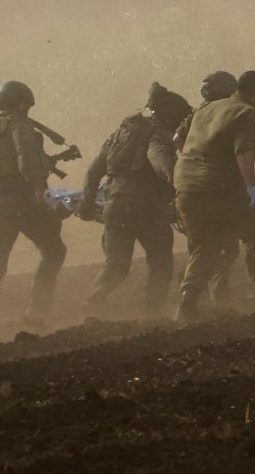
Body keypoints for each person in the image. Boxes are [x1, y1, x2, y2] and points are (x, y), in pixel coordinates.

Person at [172, 69, 255, 319]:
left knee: (205, 244)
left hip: (185, 187)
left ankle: (187, 303)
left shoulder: (206, 108)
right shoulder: (249, 113)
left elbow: (178, 138)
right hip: (217, 190)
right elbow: (244, 156)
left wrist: (198, 166)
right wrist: (252, 190)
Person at [80, 82, 191, 312]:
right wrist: (182, 185)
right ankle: (152, 314)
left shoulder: (121, 133)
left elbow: (93, 171)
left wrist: (87, 204)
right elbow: (162, 165)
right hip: (147, 209)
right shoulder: (160, 136)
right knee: (160, 263)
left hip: (115, 206)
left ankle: (92, 303)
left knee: (116, 265)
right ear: (172, 119)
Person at [0, 80, 72, 322]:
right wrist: (39, 189)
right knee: (54, 250)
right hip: (23, 200)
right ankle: (37, 311)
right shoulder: (20, 124)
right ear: (21, 103)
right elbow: (25, 158)